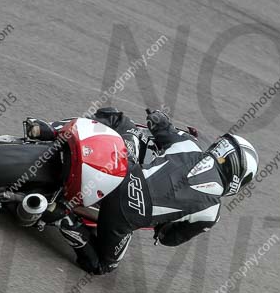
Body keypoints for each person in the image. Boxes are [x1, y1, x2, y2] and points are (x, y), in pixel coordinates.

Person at [26, 107, 259, 275]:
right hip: (123, 216)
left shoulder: (189, 145)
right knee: (101, 266)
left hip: (120, 171)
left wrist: (157, 117)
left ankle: (50, 130)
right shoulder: (210, 213)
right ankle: (62, 217)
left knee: (116, 118)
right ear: (238, 178)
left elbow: (161, 127)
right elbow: (170, 238)